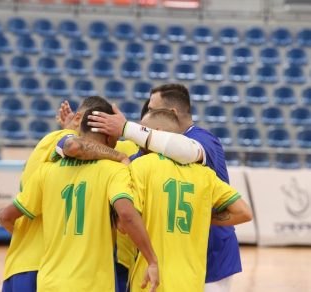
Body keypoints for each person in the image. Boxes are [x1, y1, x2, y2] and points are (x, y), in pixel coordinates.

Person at [87, 83, 242, 292]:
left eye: (151, 109)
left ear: (171, 113)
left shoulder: (203, 140)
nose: (147, 113)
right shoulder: (146, 157)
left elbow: (185, 150)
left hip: (212, 256)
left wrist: (126, 128)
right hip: (172, 260)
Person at [0, 104, 159, 292]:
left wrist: (23, 235)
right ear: (108, 136)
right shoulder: (109, 165)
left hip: (40, 274)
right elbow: (125, 219)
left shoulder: (48, 167)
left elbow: (4, 216)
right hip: (84, 279)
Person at [128, 108, 252, 291]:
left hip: (150, 279)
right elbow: (244, 212)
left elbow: (125, 222)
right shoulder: (205, 174)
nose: (138, 140)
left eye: (143, 132)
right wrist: (202, 217)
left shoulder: (140, 166)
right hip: (191, 282)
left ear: (159, 135)